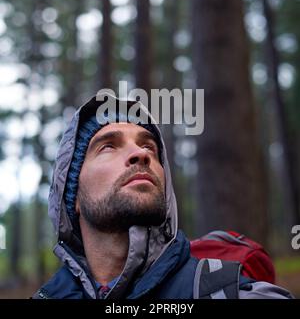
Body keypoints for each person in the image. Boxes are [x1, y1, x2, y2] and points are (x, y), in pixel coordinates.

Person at [32, 94, 294, 299]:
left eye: (148, 146)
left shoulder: (232, 293)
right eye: (108, 146)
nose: (141, 154)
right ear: (73, 197)